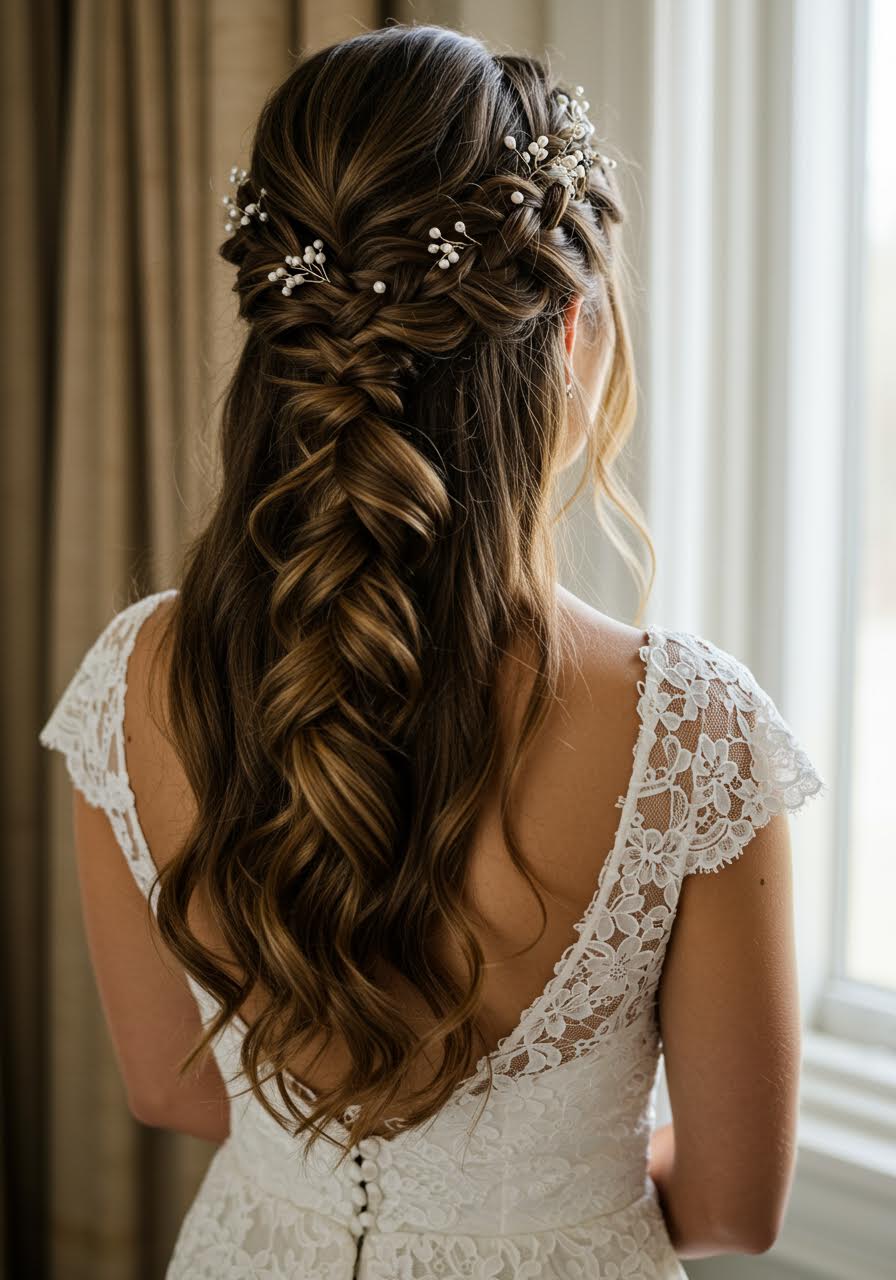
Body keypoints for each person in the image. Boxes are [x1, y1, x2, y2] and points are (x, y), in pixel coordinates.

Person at [38, 22, 827, 1279]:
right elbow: (735, 1203)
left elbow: (173, 1090)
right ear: (568, 337)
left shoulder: (135, 678)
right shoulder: (687, 734)